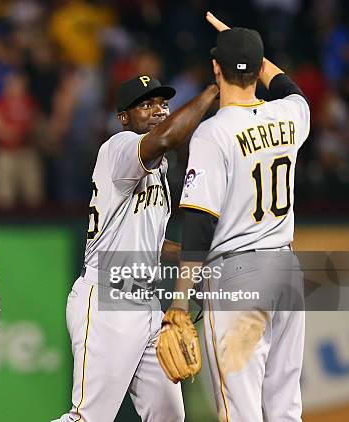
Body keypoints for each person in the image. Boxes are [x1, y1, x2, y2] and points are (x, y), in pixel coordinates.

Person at [169, 12, 310, 421]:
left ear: (216, 69)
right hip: (287, 271)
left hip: (238, 277)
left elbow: (198, 223)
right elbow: (289, 88)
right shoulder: (290, 115)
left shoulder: (214, 132)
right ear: (260, 67)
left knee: (240, 413)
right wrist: (256, 56)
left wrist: (179, 300)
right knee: (285, 409)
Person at [53, 76, 219, 422]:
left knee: (170, 416)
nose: (159, 109)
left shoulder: (159, 167)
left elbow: (152, 244)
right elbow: (170, 136)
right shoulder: (121, 146)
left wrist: (195, 254)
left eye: (163, 103)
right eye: (147, 105)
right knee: (88, 418)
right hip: (107, 299)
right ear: (124, 118)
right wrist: (214, 90)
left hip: (146, 304)